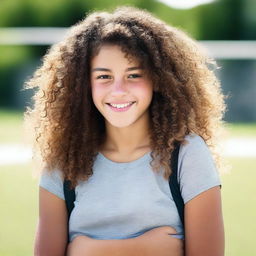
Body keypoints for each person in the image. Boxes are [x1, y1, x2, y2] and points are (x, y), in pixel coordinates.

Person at [24, 5, 226, 256]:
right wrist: (150, 247)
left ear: (158, 80)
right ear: (83, 85)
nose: (118, 90)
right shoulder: (63, 161)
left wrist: (83, 249)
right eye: (103, 76)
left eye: (133, 75)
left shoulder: (187, 154)